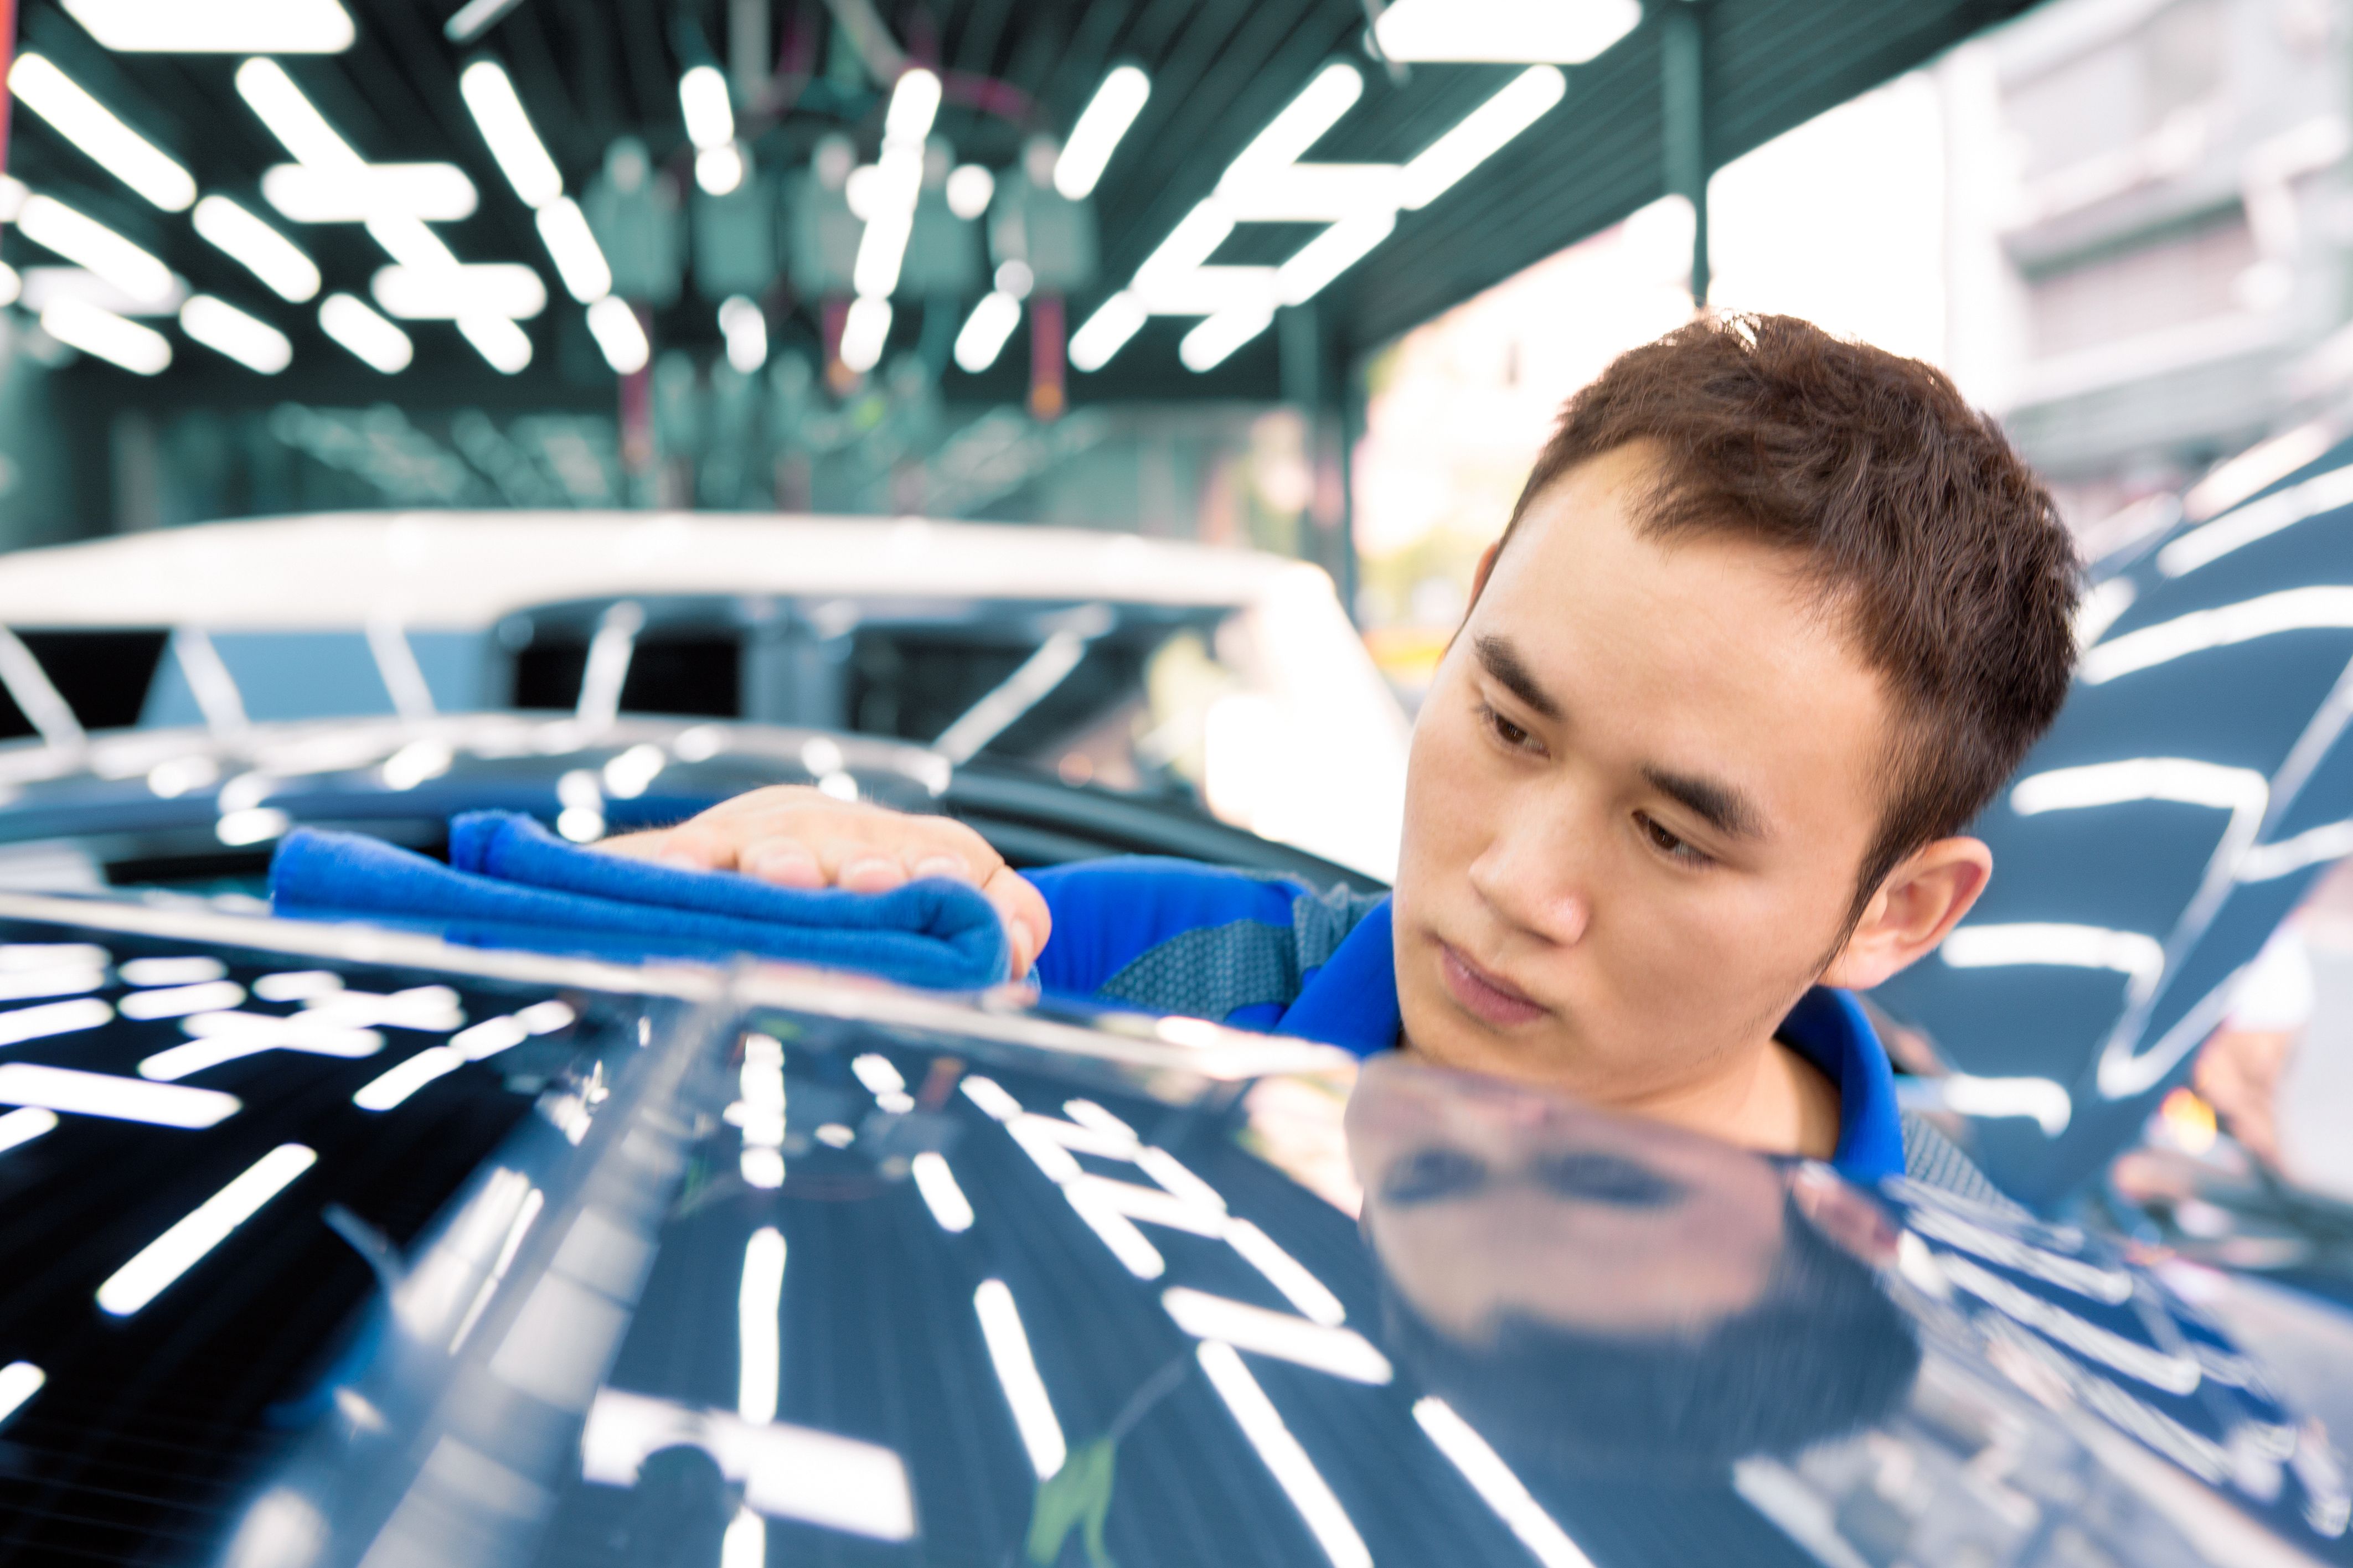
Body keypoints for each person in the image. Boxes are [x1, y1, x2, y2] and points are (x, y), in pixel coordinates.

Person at [604, 314, 2079, 1192]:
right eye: (1508, 724)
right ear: (1475, 607)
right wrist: (697, 889)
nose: (1515, 884)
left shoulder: (1977, 1327)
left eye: (1672, 836)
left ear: (1897, 911)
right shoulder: (1114, 979)